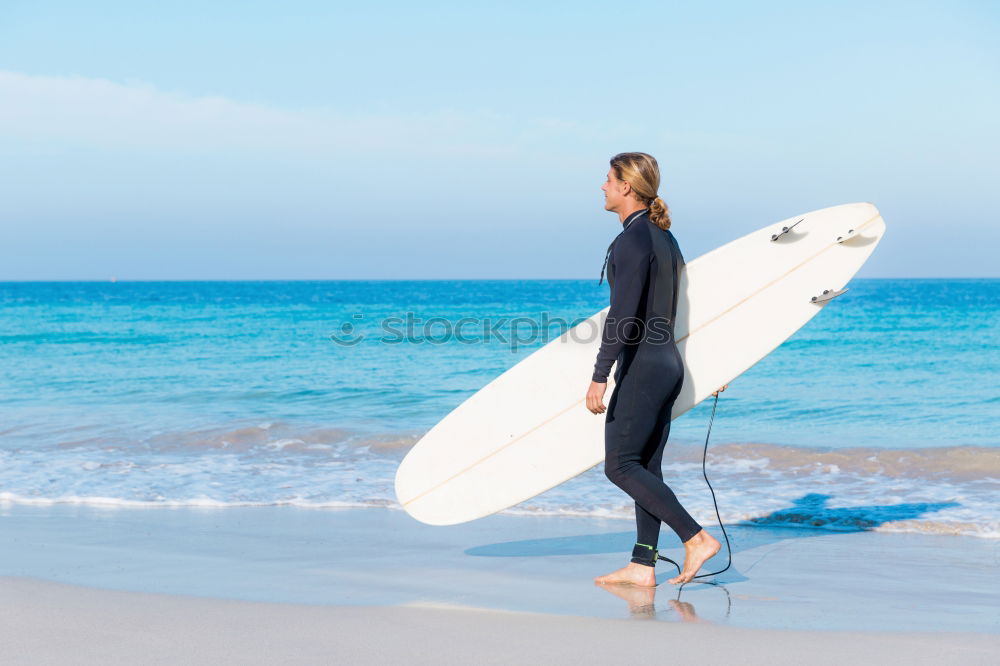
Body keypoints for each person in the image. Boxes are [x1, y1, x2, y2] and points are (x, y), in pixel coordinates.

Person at [586, 152, 725, 587]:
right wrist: (713, 362)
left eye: (608, 179)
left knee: (620, 466)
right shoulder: (665, 239)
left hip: (643, 364)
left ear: (626, 187)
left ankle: (695, 537)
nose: (603, 187)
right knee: (646, 465)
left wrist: (599, 374)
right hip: (668, 364)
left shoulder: (633, 240)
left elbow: (623, 314)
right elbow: (682, 312)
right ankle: (643, 565)